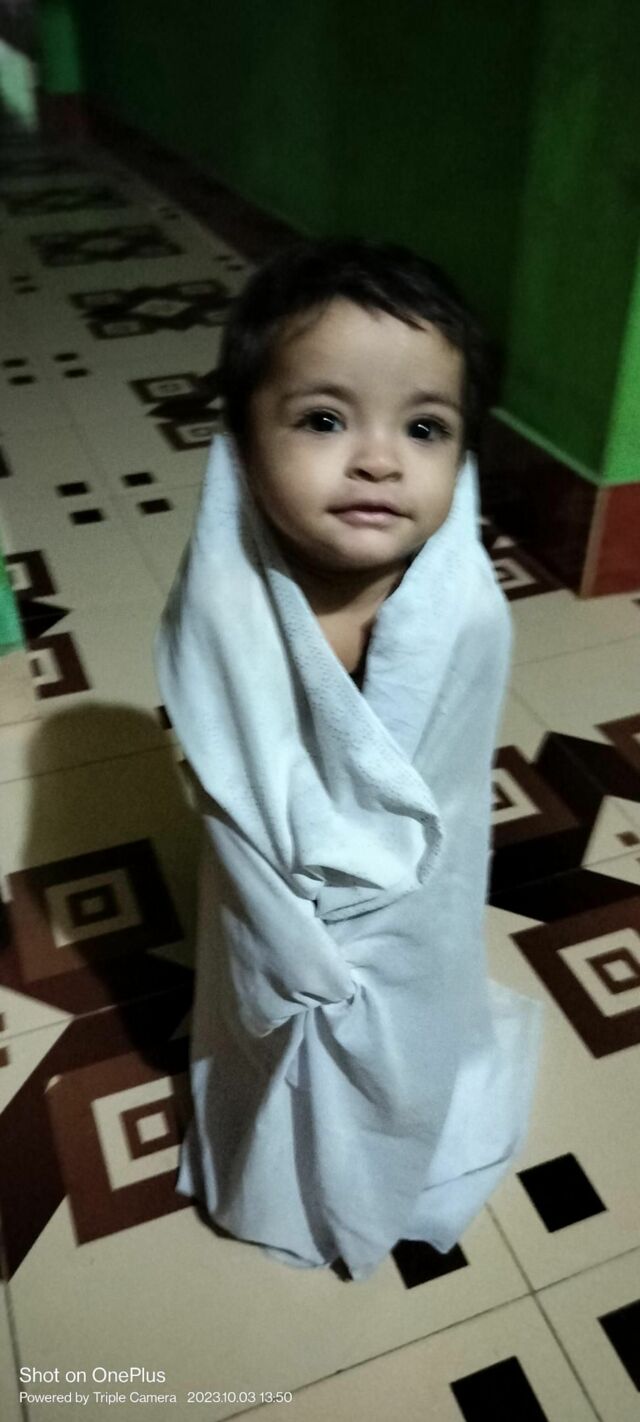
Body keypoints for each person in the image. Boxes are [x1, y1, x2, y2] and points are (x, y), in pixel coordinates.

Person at [154, 237, 543, 1282]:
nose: (378, 459)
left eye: (425, 427)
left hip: (406, 917)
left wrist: (373, 927)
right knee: (264, 1025)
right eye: (324, 420)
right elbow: (226, 773)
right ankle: (274, 1162)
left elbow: (448, 804)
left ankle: (393, 1133)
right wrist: (284, 923)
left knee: (404, 1041)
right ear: (240, 443)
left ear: (463, 455)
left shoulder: (463, 615)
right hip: (274, 917)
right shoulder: (224, 602)